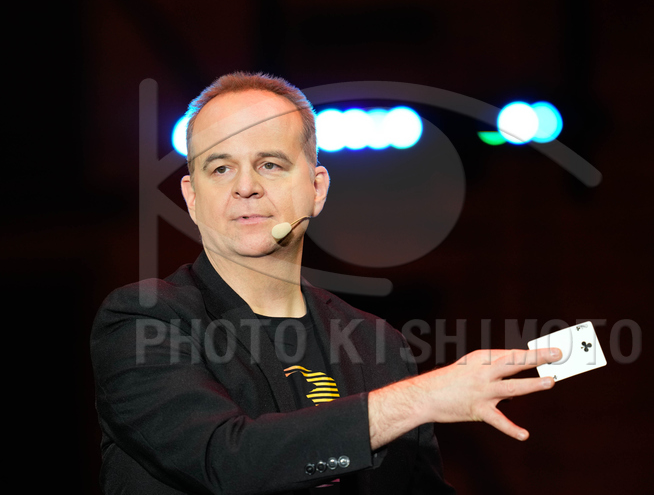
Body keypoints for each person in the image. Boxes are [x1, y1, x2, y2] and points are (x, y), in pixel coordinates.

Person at [90, 72, 561, 495]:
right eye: (220, 168)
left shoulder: (378, 345)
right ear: (192, 197)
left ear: (317, 189)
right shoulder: (144, 320)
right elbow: (225, 460)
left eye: (270, 164)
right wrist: (421, 398)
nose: (245, 187)